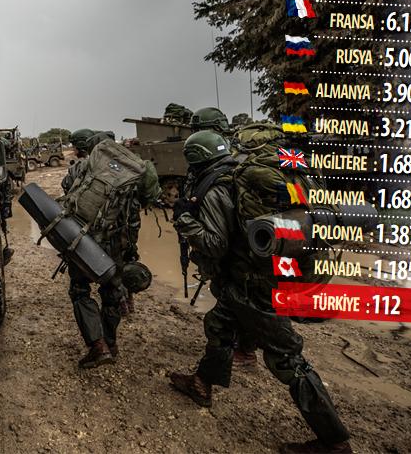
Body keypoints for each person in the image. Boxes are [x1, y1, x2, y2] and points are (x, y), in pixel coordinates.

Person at [169, 131, 351, 453]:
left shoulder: (217, 187)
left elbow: (215, 244)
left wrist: (184, 219)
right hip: (271, 274)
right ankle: (201, 384)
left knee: (286, 358)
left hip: (257, 283)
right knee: (220, 324)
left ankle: (334, 442)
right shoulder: (254, 174)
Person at [61, 129, 159, 369]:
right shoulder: (134, 172)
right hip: (117, 243)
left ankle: (98, 346)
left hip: (84, 240)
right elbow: (145, 202)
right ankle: (111, 344)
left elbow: (68, 193)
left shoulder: (81, 167)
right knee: (112, 293)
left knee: (80, 290)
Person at [187, 107, 258, 366]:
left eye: (200, 130)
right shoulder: (239, 155)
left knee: (239, 299)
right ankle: (239, 346)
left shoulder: (227, 159)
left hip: (234, 244)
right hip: (245, 241)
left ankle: (243, 349)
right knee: (237, 296)